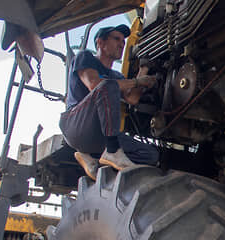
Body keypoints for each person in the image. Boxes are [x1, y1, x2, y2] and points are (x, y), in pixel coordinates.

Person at [59, 24, 159, 179]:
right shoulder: (85, 57)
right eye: (116, 39)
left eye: (123, 42)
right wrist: (137, 82)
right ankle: (112, 151)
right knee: (107, 85)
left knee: (151, 155)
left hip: (102, 134)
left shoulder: (116, 76)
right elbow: (94, 84)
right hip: (76, 125)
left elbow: (132, 98)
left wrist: (144, 68)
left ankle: (93, 160)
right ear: (100, 43)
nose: (121, 44)